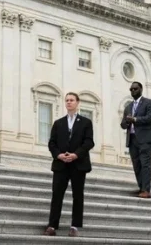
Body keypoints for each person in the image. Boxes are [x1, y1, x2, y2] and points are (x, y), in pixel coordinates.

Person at [44, 92, 95, 237]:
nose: (69, 102)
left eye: (72, 100)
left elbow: (89, 142)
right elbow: (51, 143)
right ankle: (52, 225)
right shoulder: (58, 123)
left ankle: (74, 226)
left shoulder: (86, 122)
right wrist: (59, 155)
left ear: (77, 103)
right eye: (67, 100)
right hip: (61, 164)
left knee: (77, 196)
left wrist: (76, 155)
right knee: (57, 195)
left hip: (78, 164)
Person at [120, 81, 151, 198]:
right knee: (137, 165)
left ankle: (146, 190)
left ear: (141, 89)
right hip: (132, 140)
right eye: (131, 89)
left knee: (145, 164)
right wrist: (126, 121)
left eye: (135, 89)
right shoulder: (128, 107)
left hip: (146, 139)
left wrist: (135, 120)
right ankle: (141, 188)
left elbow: (150, 118)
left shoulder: (148, 103)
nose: (133, 91)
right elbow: (123, 124)